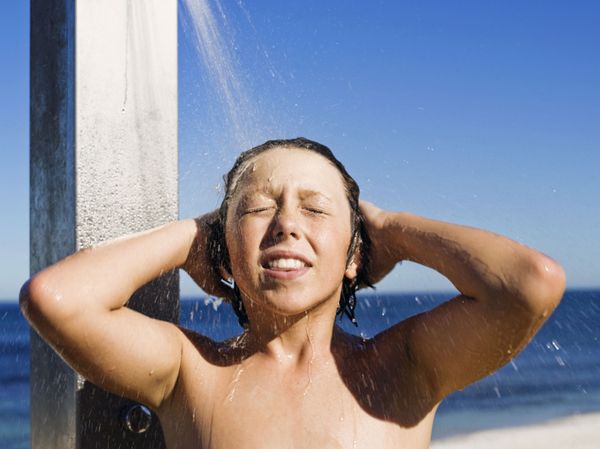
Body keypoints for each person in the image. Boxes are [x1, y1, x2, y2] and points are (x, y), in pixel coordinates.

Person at [20, 138, 566, 449]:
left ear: (355, 252)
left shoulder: (401, 369)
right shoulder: (193, 374)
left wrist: (389, 229)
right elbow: (56, 299)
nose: (285, 224)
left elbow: (529, 285)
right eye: (257, 207)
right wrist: (196, 237)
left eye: (315, 208)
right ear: (226, 247)